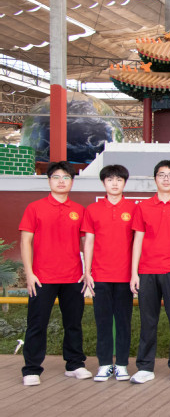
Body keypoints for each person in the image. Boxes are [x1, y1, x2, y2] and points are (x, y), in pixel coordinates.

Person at [19, 161, 91, 386]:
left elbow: (87, 243)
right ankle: (32, 369)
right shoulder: (35, 208)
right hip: (42, 277)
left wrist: (87, 272)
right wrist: (29, 273)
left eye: (66, 177)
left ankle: (75, 364)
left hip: (73, 276)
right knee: (37, 324)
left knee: (74, 324)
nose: (61, 181)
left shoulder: (79, 210)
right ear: (49, 180)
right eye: (57, 177)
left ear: (72, 181)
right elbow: (25, 241)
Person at [129, 160, 170, 384]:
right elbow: (138, 241)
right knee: (148, 320)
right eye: (162, 174)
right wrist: (134, 273)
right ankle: (145, 367)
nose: (166, 179)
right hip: (147, 272)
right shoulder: (143, 207)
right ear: (155, 178)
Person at [81, 164, 136, 382]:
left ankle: (121, 365)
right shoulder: (93, 210)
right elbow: (89, 242)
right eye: (110, 179)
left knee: (124, 322)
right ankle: (104, 364)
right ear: (103, 183)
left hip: (125, 277)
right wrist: (87, 271)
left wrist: (135, 273)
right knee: (102, 322)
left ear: (125, 183)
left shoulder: (133, 209)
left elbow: (138, 242)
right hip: (100, 276)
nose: (114, 183)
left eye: (119, 180)